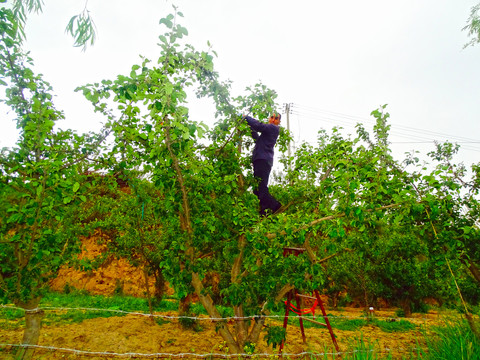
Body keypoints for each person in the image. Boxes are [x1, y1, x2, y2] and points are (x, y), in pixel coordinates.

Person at [244, 113, 282, 216]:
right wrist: (249, 127)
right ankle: (264, 211)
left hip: (263, 160)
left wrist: (245, 117)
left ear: (279, 122)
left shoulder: (273, 128)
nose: (273, 120)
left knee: (261, 187)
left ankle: (276, 205)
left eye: (276, 118)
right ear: (269, 118)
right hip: (260, 159)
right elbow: (257, 138)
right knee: (257, 189)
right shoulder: (267, 133)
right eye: (272, 117)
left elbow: (259, 125)